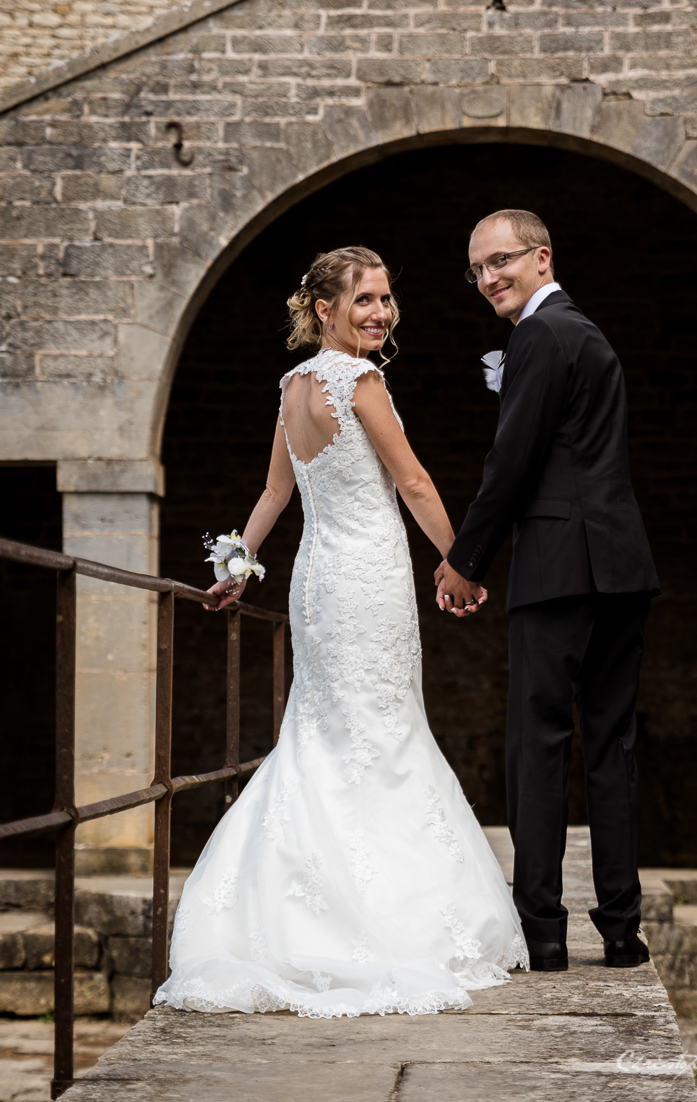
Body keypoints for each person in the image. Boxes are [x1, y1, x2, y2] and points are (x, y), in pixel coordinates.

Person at [155, 245, 527, 1018]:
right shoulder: (360, 381)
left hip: (317, 582)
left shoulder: (292, 386)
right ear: (324, 309)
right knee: (380, 732)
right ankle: (383, 922)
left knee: (325, 734)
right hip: (367, 578)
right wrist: (459, 563)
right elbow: (413, 481)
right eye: (365, 300)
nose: (380, 313)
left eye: (385, 299)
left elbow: (273, 493)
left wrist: (236, 565)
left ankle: (292, 912)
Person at [434, 210, 660, 973]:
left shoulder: (538, 333)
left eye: (500, 261)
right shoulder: (588, 334)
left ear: (542, 257)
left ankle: (545, 931)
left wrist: (465, 559)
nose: (488, 278)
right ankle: (622, 932)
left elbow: (513, 462)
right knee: (611, 745)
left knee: (538, 743)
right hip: (621, 565)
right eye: (477, 269)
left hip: (559, 567)